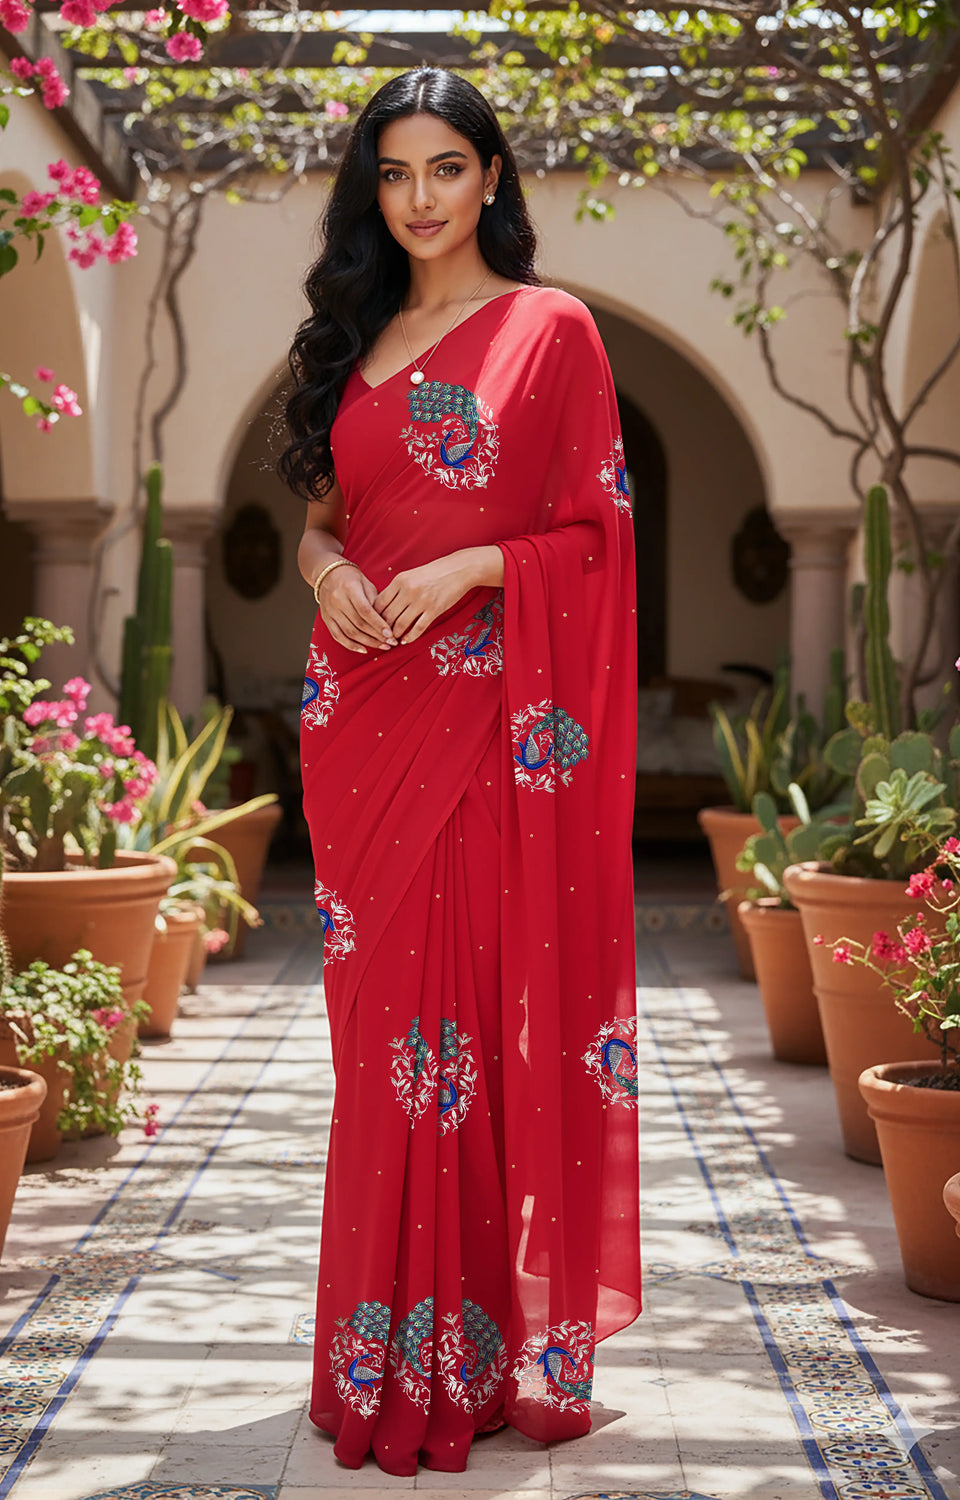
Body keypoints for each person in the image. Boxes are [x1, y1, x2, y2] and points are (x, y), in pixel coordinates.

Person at [278, 64, 639, 1478]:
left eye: (446, 167)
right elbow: (322, 521)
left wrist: (486, 563)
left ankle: (474, 1354)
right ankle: (376, 1354)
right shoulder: (352, 334)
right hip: (360, 723)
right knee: (384, 1056)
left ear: (493, 175)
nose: (420, 198)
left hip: (488, 729)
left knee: (470, 1045)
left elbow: (597, 539)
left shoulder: (551, 333)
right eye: (394, 173)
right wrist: (323, 578)